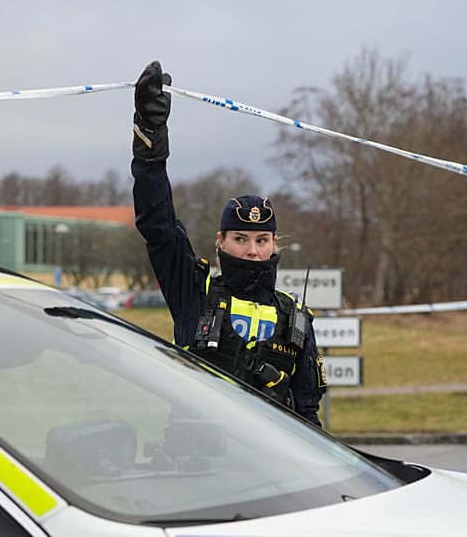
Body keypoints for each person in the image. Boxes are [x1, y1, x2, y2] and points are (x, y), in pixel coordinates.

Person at [130, 61, 327, 427]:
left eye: (261, 240)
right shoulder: (194, 292)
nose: (252, 251)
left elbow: (308, 416)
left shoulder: (295, 318)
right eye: (240, 239)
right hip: (198, 465)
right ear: (220, 241)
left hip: (273, 468)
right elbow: (157, 226)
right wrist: (150, 139)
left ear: (274, 243)